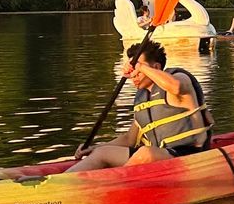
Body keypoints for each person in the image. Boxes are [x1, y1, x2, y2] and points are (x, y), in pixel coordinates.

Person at [70, 41, 214, 170]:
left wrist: (142, 67)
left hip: (190, 154)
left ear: (156, 67)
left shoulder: (179, 79)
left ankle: (114, 184)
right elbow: (129, 139)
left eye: (138, 68)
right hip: (160, 155)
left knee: (146, 152)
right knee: (102, 153)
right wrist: (95, 147)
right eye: (133, 68)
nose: (134, 73)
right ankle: (59, 184)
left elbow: (175, 87)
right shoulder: (143, 98)